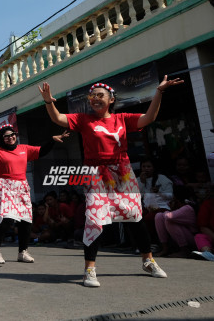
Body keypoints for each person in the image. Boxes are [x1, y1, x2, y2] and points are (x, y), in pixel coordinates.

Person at [40, 76, 183, 287]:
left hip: (123, 173)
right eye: (92, 96)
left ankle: (148, 261)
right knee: (94, 219)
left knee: (134, 217)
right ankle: (90, 270)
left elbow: (149, 117)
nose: (95, 99)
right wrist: (49, 102)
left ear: (111, 99)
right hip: (95, 173)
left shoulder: (123, 119)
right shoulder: (83, 119)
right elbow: (58, 119)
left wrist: (159, 92)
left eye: (100, 95)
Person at [0, 124, 68, 264]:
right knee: (7, 219)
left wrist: (52, 140)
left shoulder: (24, 149)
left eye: (12, 134)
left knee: (26, 221)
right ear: (1, 139)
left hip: (22, 186)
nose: (10, 137)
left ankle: (23, 252)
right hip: (6, 186)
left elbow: (41, 151)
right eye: (6, 136)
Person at [155, 185, 198, 257]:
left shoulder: (188, 208)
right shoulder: (180, 206)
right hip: (183, 234)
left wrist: (169, 211)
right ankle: (165, 248)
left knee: (169, 221)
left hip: (193, 238)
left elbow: (169, 216)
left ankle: (184, 250)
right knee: (158, 216)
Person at [137, 158, 173, 245]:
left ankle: (155, 243)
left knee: (148, 218)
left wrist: (159, 193)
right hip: (146, 207)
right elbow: (137, 196)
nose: (146, 169)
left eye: (149, 166)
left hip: (162, 206)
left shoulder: (162, 178)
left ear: (154, 168)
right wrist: (142, 182)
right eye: (144, 166)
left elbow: (170, 196)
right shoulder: (138, 180)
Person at [192, 196, 214, 261]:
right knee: (199, 237)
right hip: (212, 236)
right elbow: (203, 227)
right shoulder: (208, 204)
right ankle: (208, 254)